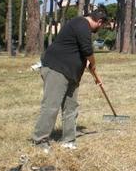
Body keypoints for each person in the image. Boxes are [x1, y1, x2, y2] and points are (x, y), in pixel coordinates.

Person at [32, 9, 107, 151]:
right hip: (57, 69)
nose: (99, 28)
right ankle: (39, 141)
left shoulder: (82, 27)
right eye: (101, 26)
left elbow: (85, 59)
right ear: (99, 22)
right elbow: (88, 51)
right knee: (51, 106)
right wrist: (94, 64)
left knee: (70, 108)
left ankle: (68, 140)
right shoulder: (82, 24)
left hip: (71, 74)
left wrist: (95, 76)